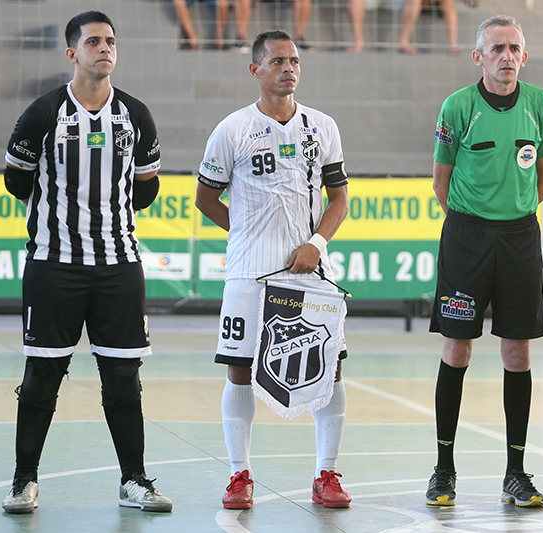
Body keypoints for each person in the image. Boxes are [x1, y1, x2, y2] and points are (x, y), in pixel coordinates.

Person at [1, 11, 172, 514]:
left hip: (118, 265)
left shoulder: (135, 115)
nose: (105, 48)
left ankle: (134, 480)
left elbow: (147, 189)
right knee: (42, 377)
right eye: (93, 41)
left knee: (122, 377)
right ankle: (23, 481)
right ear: (72, 52)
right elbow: (16, 180)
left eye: (111, 41)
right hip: (54, 264)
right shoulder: (44, 112)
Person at [195, 30, 351, 509]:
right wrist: (244, 234)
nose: (289, 68)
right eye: (278, 61)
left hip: (308, 273)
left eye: (295, 61)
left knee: (330, 371)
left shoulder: (322, 126)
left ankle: (327, 474)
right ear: (256, 69)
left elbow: (339, 199)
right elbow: (205, 198)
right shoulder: (232, 129)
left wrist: (316, 242)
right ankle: (239, 476)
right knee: (240, 372)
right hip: (247, 275)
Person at [426, 14, 543, 508]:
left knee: (518, 354)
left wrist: (511, 214)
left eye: (514, 48)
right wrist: (472, 224)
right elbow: (441, 182)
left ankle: (515, 473)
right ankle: (443, 471)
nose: (506, 56)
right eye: (497, 48)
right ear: (478, 56)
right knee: (457, 350)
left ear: (524, 56)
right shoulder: (458, 107)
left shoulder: (541, 105)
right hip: (467, 237)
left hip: (520, 237)